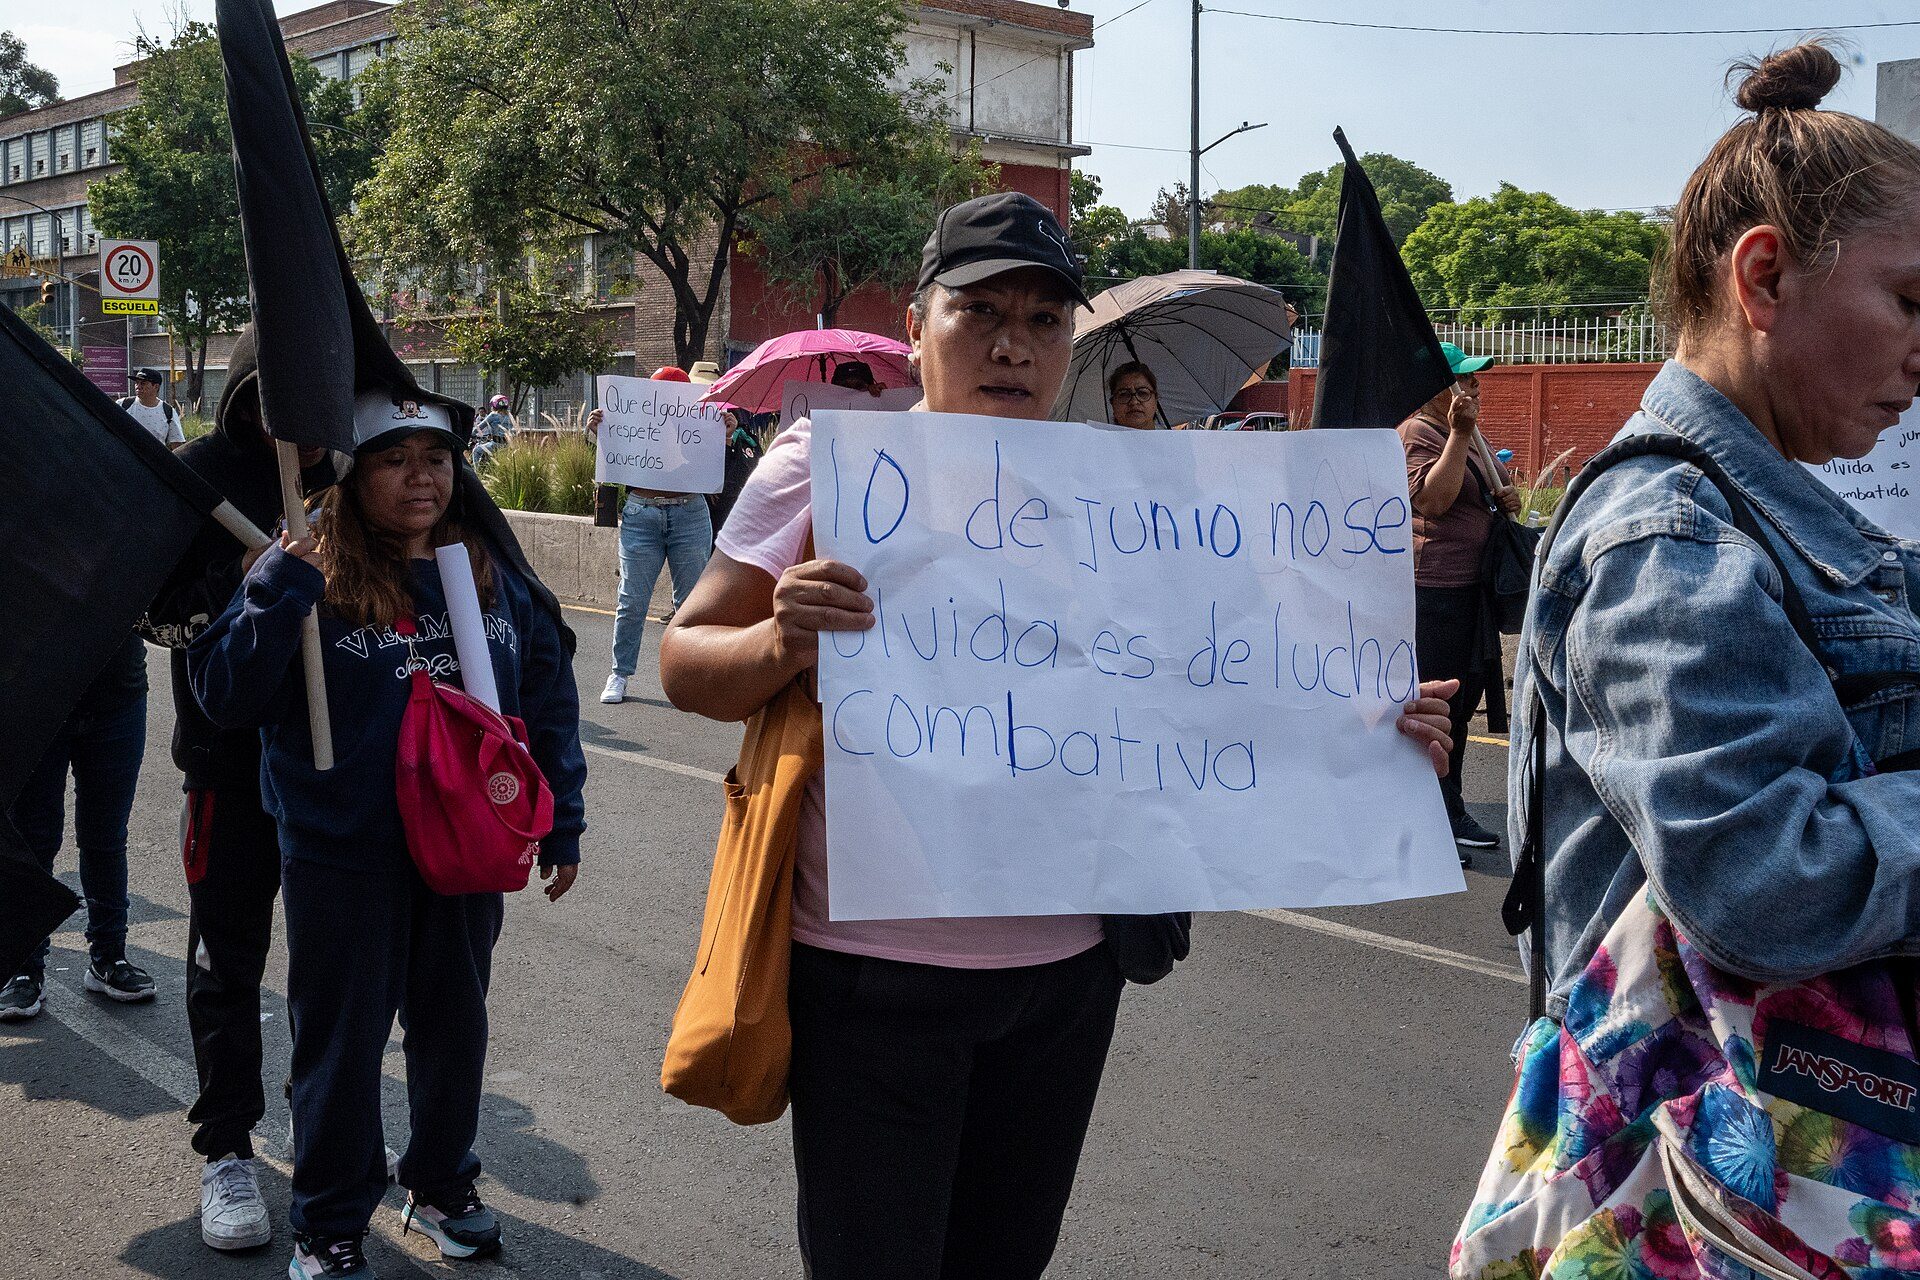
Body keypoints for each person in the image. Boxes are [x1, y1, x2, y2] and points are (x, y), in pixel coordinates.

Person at [659, 190, 1460, 1279]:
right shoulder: (826, 468)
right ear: (915, 322)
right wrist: (784, 642)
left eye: (1045, 320)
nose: (1012, 344)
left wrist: (1373, 730)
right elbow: (687, 659)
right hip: (872, 976)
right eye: (981, 311)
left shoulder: (1125, 497)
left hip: (1065, 978)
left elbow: (1215, 685)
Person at [1516, 42, 1920, 1017]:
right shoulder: (1666, 538)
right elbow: (1764, 880)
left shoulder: (1765, 516)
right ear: (1767, 277)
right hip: (1714, 1153)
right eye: (1909, 302)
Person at [189, 390, 587, 1279]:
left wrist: (561, 816)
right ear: (353, 473)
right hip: (345, 850)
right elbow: (221, 694)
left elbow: (547, 696)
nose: (421, 477)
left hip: (468, 844)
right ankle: (328, 1224)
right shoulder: (302, 567)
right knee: (343, 1037)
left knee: (454, 1028)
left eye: (437, 458)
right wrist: (272, 596)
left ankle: (442, 1183)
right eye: (394, 459)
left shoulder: (489, 570)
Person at [142, 327, 327, 1252]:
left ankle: (327, 1132)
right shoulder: (196, 475)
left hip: (338, 764)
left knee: (338, 966)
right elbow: (152, 608)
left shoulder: (353, 472)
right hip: (226, 761)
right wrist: (240, 590)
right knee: (226, 959)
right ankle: (226, 1149)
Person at [1398, 342, 1520, 861]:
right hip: (1434, 590)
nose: (1473, 387)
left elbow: (1492, 490)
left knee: (1463, 701)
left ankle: (1447, 809)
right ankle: (1431, 817)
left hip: (1473, 589)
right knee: (1437, 704)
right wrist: (1462, 432)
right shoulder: (1419, 432)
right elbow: (1433, 500)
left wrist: (1507, 495)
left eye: (1475, 379)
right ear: (1434, 387)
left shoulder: (1466, 436)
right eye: (1463, 379)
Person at [0, 629, 154, 1020]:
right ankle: (24, 968)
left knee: (106, 836)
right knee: (33, 839)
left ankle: (109, 956)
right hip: (35, 700)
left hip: (117, 697)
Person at [584, 365, 715, 705]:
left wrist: (725, 433)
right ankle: (620, 673)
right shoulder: (634, 421)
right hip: (642, 513)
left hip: (689, 514)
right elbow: (614, 457)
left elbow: (712, 465)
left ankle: (690, 678)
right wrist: (598, 432)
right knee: (631, 601)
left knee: (690, 605)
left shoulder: (700, 423)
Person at [707, 407, 762, 535]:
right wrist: (727, 439)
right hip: (718, 511)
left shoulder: (748, 438)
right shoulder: (703, 437)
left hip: (744, 507)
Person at [120, 367, 186, 450]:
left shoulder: (168, 412)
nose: (138, 387)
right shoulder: (123, 405)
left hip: (153, 461)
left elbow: (177, 444)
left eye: (143, 383)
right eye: (137, 383)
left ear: (156, 386)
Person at [1107, 360, 1160, 429]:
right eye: (1124, 395)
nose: (1134, 402)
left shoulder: (1173, 439)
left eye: (1142, 393)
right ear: (1113, 404)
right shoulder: (1095, 439)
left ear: (1155, 401)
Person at [472, 395, 514, 466]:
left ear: (494, 405)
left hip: (496, 444)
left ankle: (476, 473)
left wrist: (472, 433)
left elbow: (479, 428)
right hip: (507, 445)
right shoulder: (509, 416)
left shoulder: (493, 415)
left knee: (476, 450)